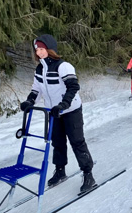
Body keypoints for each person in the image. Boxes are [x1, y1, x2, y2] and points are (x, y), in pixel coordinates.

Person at [20, 34, 95, 192]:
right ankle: (60, 171)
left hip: (71, 110)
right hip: (53, 111)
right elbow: (36, 89)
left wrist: (64, 104)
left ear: (50, 49)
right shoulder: (40, 68)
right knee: (57, 143)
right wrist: (29, 101)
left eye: (41, 49)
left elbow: (73, 87)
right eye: (37, 50)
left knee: (77, 142)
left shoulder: (63, 66)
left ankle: (88, 174)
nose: (39, 52)